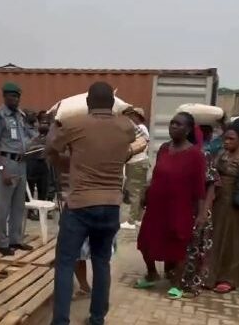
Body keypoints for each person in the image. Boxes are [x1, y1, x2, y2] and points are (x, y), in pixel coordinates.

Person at [46, 81, 146, 325]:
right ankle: (97, 318)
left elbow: (51, 148)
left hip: (80, 205)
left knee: (65, 262)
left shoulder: (74, 124)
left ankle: (60, 321)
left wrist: (63, 157)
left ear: (88, 102)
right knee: (102, 263)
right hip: (111, 206)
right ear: (112, 103)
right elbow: (126, 149)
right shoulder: (126, 127)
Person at [136, 112, 206, 299]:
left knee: (178, 245)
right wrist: (146, 192)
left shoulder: (195, 155)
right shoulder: (164, 149)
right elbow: (156, 174)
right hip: (156, 206)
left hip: (180, 207)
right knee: (145, 242)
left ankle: (176, 285)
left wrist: (200, 214)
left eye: (179, 124)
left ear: (189, 129)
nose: (173, 126)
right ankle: (151, 274)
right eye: (172, 123)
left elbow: (200, 188)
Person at [0, 82, 33, 256]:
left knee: (18, 206)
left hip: (21, 164)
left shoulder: (20, 116)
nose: (16, 99)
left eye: (18, 96)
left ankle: (16, 240)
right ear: (5, 96)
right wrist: (2, 169)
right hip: (6, 163)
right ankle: (2, 242)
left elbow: (26, 137)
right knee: (4, 206)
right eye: (12, 96)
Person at [181, 124, 220, 297]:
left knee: (198, 247)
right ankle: (181, 280)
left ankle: (194, 284)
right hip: (185, 206)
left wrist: (204, 212)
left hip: (201, 208)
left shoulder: (204, 155)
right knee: (185, 247)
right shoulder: (180, 152)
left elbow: (211, 184)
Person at [208, 121, 239, 293]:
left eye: (231, 139)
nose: (227, 142)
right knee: (215, 236)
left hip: (235, 205)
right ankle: (210, 275)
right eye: (225, 138)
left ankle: (229, 277)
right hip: (218, 201)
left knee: (232, 241)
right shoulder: (221, 153)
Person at [121, 107, 150, 230]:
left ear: (137, 116)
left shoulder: (140, 129)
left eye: (133, 115)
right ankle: (138, 218)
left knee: (134, 192)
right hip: (139, 163)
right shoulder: (142, 128)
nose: (131, 117)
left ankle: (131, 221)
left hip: (136, 163)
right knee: (139, 191)